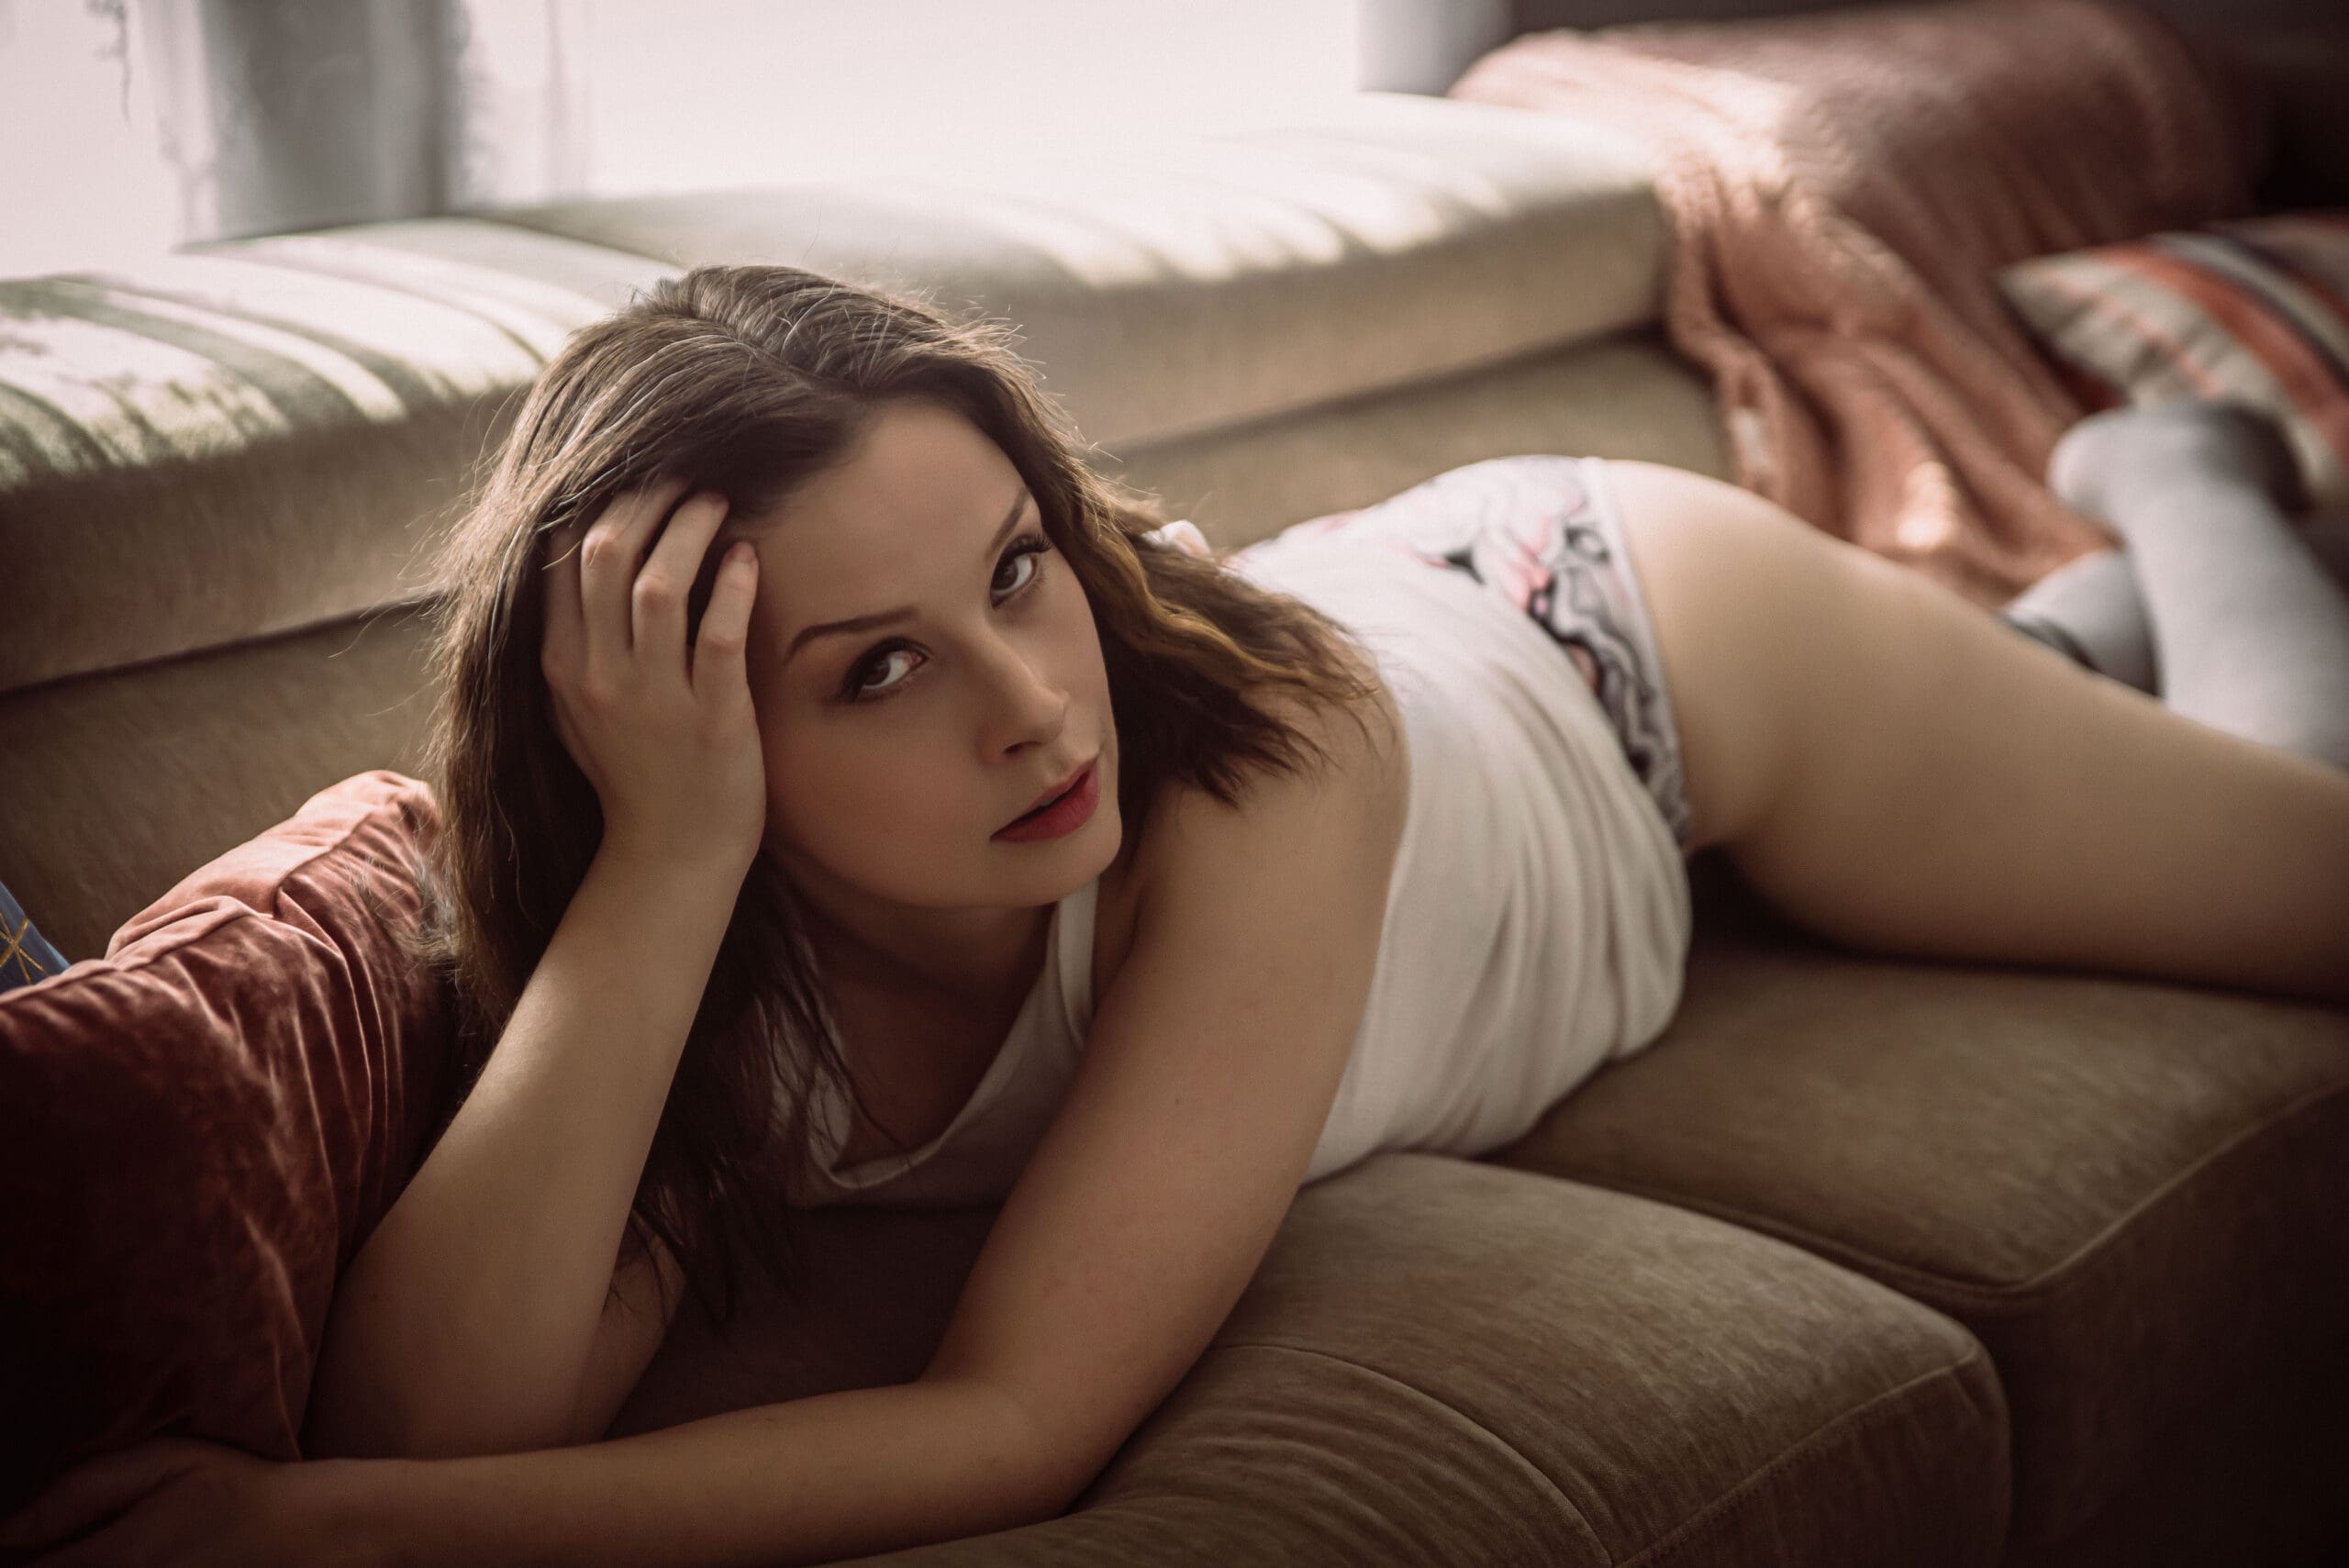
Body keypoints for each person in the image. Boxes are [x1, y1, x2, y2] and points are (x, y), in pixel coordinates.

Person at [6, 263, 2346, 1566]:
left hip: (1630, 661)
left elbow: (1020, 1421)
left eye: (1021, 567)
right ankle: (2058, 650)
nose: (1042, 712)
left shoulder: (1252, 756)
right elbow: (438, 1418)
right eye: (881, 669)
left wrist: (317, 1545)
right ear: (682, 731)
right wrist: (676, 863)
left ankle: (2180, 481)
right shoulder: (694, 915)